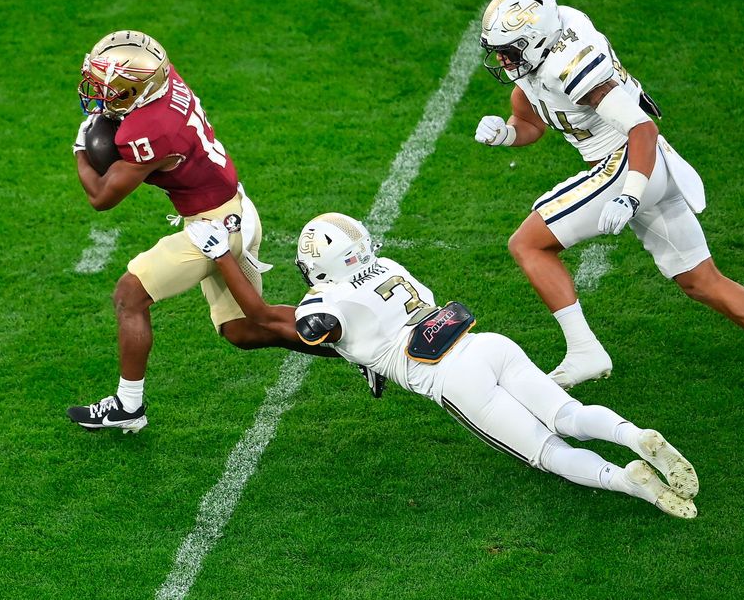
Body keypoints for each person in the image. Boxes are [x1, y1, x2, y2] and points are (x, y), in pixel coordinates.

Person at [185, 212, 700, 518]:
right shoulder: (388, 266)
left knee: (549, 452)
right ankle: (635, 435)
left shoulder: (329, 304)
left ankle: (630, 480)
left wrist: (221, 255)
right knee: (567, 413)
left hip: (453, 377)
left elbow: (260, 316)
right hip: (487, 345)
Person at [473, 0, 744, 406]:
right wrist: (505, 135)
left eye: (510, 49)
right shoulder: (540, 59)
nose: (503, 59)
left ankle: (584, 352)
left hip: (631, 161)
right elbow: (532, 121)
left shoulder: (568, 65)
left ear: (538, 40)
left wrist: (630, 195)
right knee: (700, 280)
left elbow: (641, 127)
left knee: (526, 243)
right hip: (649, 166)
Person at [66, 30, 335, 433]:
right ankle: (355, 346)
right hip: (233, 209)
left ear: (138, 88)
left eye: (111, 86)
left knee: (129, 296)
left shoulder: (148, 131)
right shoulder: (164, 79)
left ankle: (128, 406)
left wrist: (81, 152)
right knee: (243, 331)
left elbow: (102, 198)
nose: (102, 92)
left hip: (214, 227)